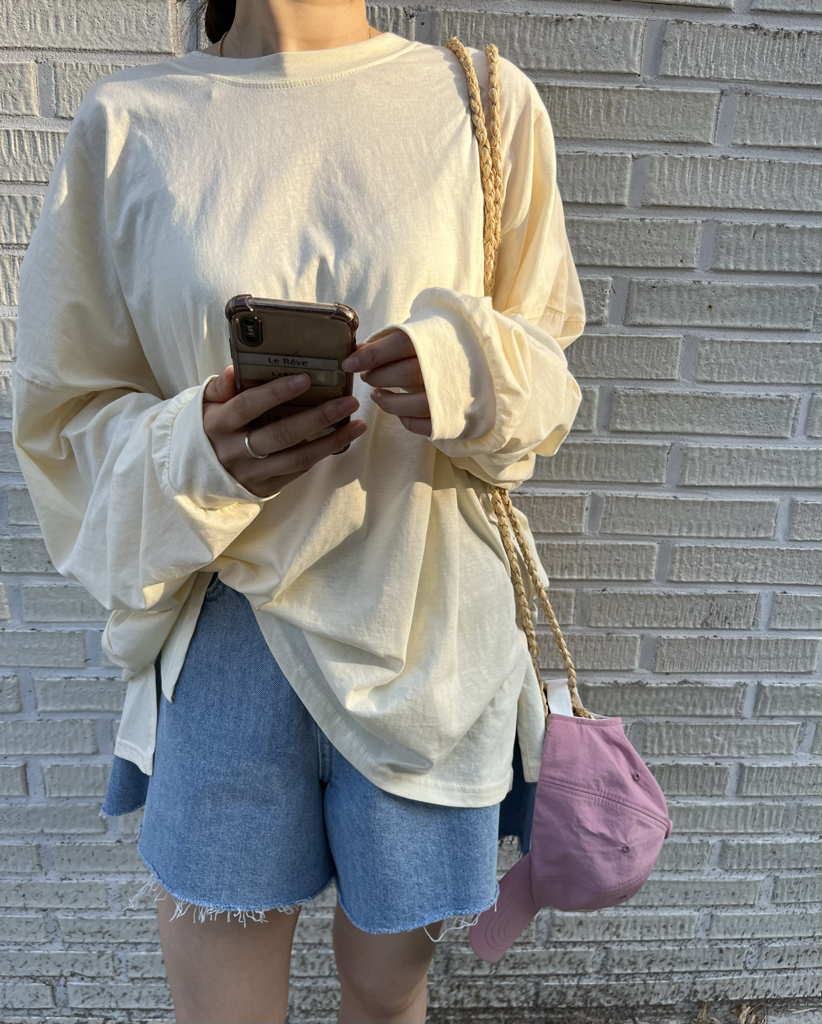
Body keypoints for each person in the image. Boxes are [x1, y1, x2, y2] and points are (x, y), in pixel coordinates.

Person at [11, 0, 585, 1020]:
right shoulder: (129, 125)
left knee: (386, 997)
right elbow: (63, 423)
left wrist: (462, 371)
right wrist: (198, 449)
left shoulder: (483, 104)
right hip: (229, 627)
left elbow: (549, 378)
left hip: (426, 634)